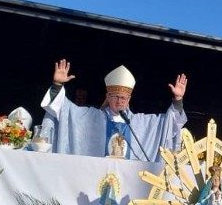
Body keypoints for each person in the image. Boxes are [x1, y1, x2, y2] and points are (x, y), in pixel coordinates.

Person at [40, 59, 187, 160]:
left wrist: (178, 100)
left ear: (129, 99)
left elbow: (169, 124)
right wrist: (57, 84)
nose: (120, 101)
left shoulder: (139, 123)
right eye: (116, 96)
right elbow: (63, 109)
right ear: (107, 97)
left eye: (124, 98)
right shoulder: (91, 117)